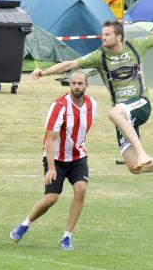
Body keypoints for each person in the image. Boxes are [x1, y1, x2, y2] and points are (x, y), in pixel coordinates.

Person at [31, 21, 153, 174]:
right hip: (122, 115)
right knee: (134, 167)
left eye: (107, 34)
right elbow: (70, 64)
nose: (103, 37)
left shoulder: (136, 46)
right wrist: (44, 72)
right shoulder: (100, 56)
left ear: (119, 37)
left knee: (113, 114)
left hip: (140, 104)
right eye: (102, 34)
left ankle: (142, 153)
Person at [10, 71, 98, 251]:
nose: (76, 87)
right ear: (69, 85)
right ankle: (25, 224)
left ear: (86, 85)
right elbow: (50, 139)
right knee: (51, 198)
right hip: (56, 159)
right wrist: (51, 168)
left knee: (81, 189)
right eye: (73, 83)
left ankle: (67, 237)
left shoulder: (92, 105)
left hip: (77, 157)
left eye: (80, 83)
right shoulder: (59, 106)